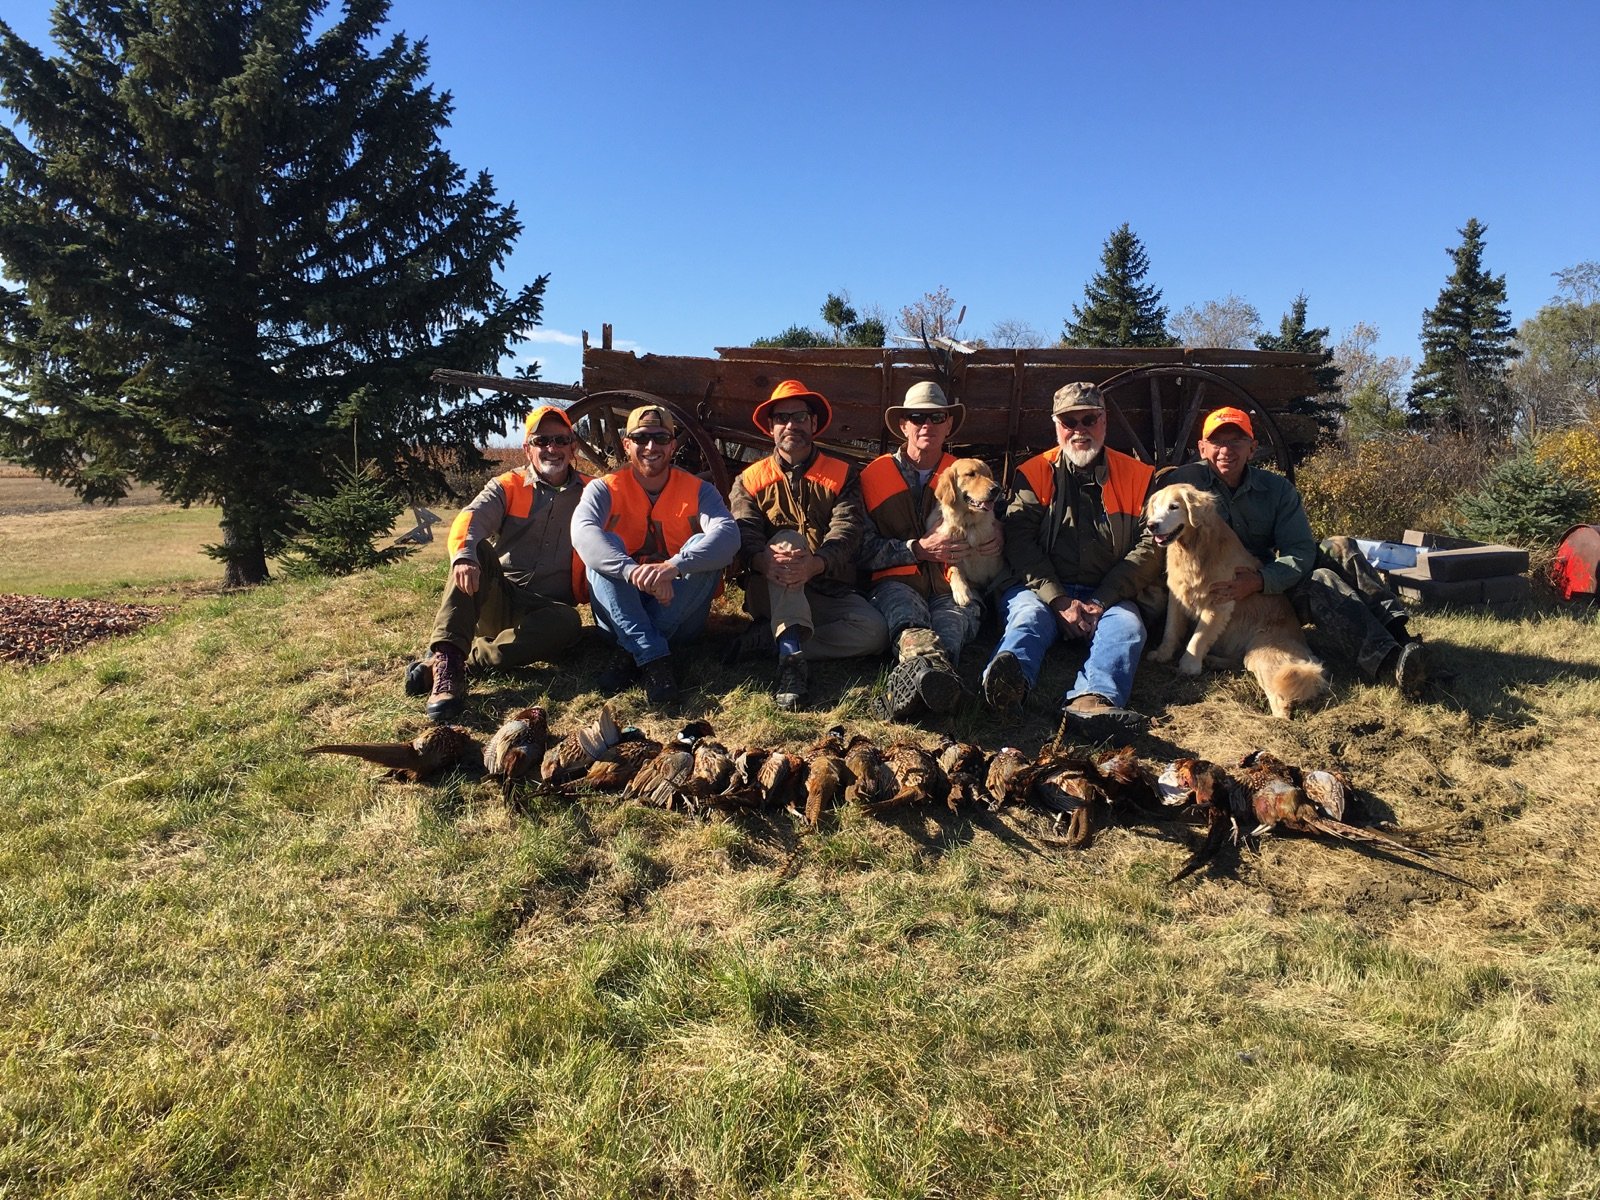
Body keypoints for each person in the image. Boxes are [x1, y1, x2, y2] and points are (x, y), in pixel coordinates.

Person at [1161, 406, 1425, 696]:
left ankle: (1399, 633)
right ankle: (1387, 661)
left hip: (1269, 586)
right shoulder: (1187, 485)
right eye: (1217, 442)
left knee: (1340, 546)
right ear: (1202, 448)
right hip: (1228, 594)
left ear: (1252, 448)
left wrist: (1261, 581)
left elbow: (1299, 550)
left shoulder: (1276, 489)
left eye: (1235, 441)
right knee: (1323, 579)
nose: (1226, 450)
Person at [981, 382, 1161, 738]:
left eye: (1088, 419)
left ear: (1104, 423)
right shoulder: (1034, 472)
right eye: (1069, 422)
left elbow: (1151, 546)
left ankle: (1093, 699)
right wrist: (1058, 599)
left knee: (1127, 628)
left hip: (1109, 593)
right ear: (1056, 426)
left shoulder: (1139, 476)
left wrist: (1101, 600)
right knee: (1027, 616)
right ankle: (1006, 683)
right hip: (1042, 590)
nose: (1079, 430)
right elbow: (1019, 540)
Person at [409, 405, 589, 722]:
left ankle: (465, 662)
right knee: (474, 548)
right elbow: (471, 519)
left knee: (569, 623)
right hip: (501, 596)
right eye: (542, 440)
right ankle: (448, 662)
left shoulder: (592, 491)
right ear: (527, 448)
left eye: (560, 441)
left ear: (573, 448)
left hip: (549, 611)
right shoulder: (507, 485)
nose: (552, 449)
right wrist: (464, 557)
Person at [729, 379, 889, 711]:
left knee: (875, 632)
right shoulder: (749, 479)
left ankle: (772, 641)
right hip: (771, 587)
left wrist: (815, 565)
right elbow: (745, 534)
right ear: (771, 428)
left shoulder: (843, 474)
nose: (791, 425)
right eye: (782, 418)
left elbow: (847, 532)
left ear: (814, 424)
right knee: (787, 543)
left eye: (800, 417)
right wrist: (764, 562)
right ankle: (791, 664)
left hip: (828, 588)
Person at [570, 404, 739, 705]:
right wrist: (631, 571)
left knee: (704, 545)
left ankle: (631, 650)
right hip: (617, 614)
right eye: (641, 437)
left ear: (673, 445)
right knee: (603, 546)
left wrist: (673, 567)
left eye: (661, 438)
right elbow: (583, 533)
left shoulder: (700, 490)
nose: (651, 446)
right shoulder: (603, 489)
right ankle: (653, 657)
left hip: (681, 614)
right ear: (626, 444)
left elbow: (728, 535)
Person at [859, 381, 996, 719]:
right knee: (911, 627)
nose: (927, 426)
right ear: (903, 425)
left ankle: (914, 688)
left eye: (937, 418)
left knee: (954, 629)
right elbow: (859, 549)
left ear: (948, 425)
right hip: (896, 582)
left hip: (954, 583)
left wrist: (1000, 533)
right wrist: (915, 550)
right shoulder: (873, 475)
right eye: (918, 417)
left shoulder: (966, 470)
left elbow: (996, 517)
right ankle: (938, 687)